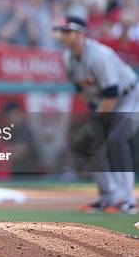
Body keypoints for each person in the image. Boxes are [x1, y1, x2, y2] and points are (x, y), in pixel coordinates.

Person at [53, 15, 137, 215]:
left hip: (130, 96)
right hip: (106, 101)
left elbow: (111, 93)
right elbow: (82, 91)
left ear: (80, 34)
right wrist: (95, 116)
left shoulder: (99, 54)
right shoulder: (68, 58)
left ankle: (126, 201)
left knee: (116, 139)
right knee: (90, 141)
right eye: (61, 31)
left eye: (67, 31)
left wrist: (100, 119)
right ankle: (107, 197)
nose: (63, 35)